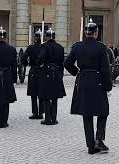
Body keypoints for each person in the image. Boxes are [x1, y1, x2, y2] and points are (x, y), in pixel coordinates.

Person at [64, 19, 112, 154]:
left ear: (86, 33)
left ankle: (91, 146)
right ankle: (99, 140)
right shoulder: (101, 47)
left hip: (83, 80)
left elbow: (67, 63)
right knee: (103, 111)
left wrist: (77, 72)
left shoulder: (77, 46)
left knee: (87, 113)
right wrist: (108, 86)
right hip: (97, 81)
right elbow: (105, 69)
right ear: (96, 33)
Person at [37, 28, 66, 125]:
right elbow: (62, 62)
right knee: (54, 97)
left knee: (46, 96)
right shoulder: (60, 47)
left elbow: (41, 58)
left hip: (46, 71)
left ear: (46, 37)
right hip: (57, 71)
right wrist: (61, 73)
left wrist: (39, 64)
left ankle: (48, 119)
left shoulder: (44, 46)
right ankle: (54, 118)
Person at [21, 29, 44, 120]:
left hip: (34, 70)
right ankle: (41, 112)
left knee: (33, 93)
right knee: (41, 92)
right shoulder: (44, 47)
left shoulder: (31, 47)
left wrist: (26, 64)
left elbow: (23, 58)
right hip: (42, 70)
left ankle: (35, 112)